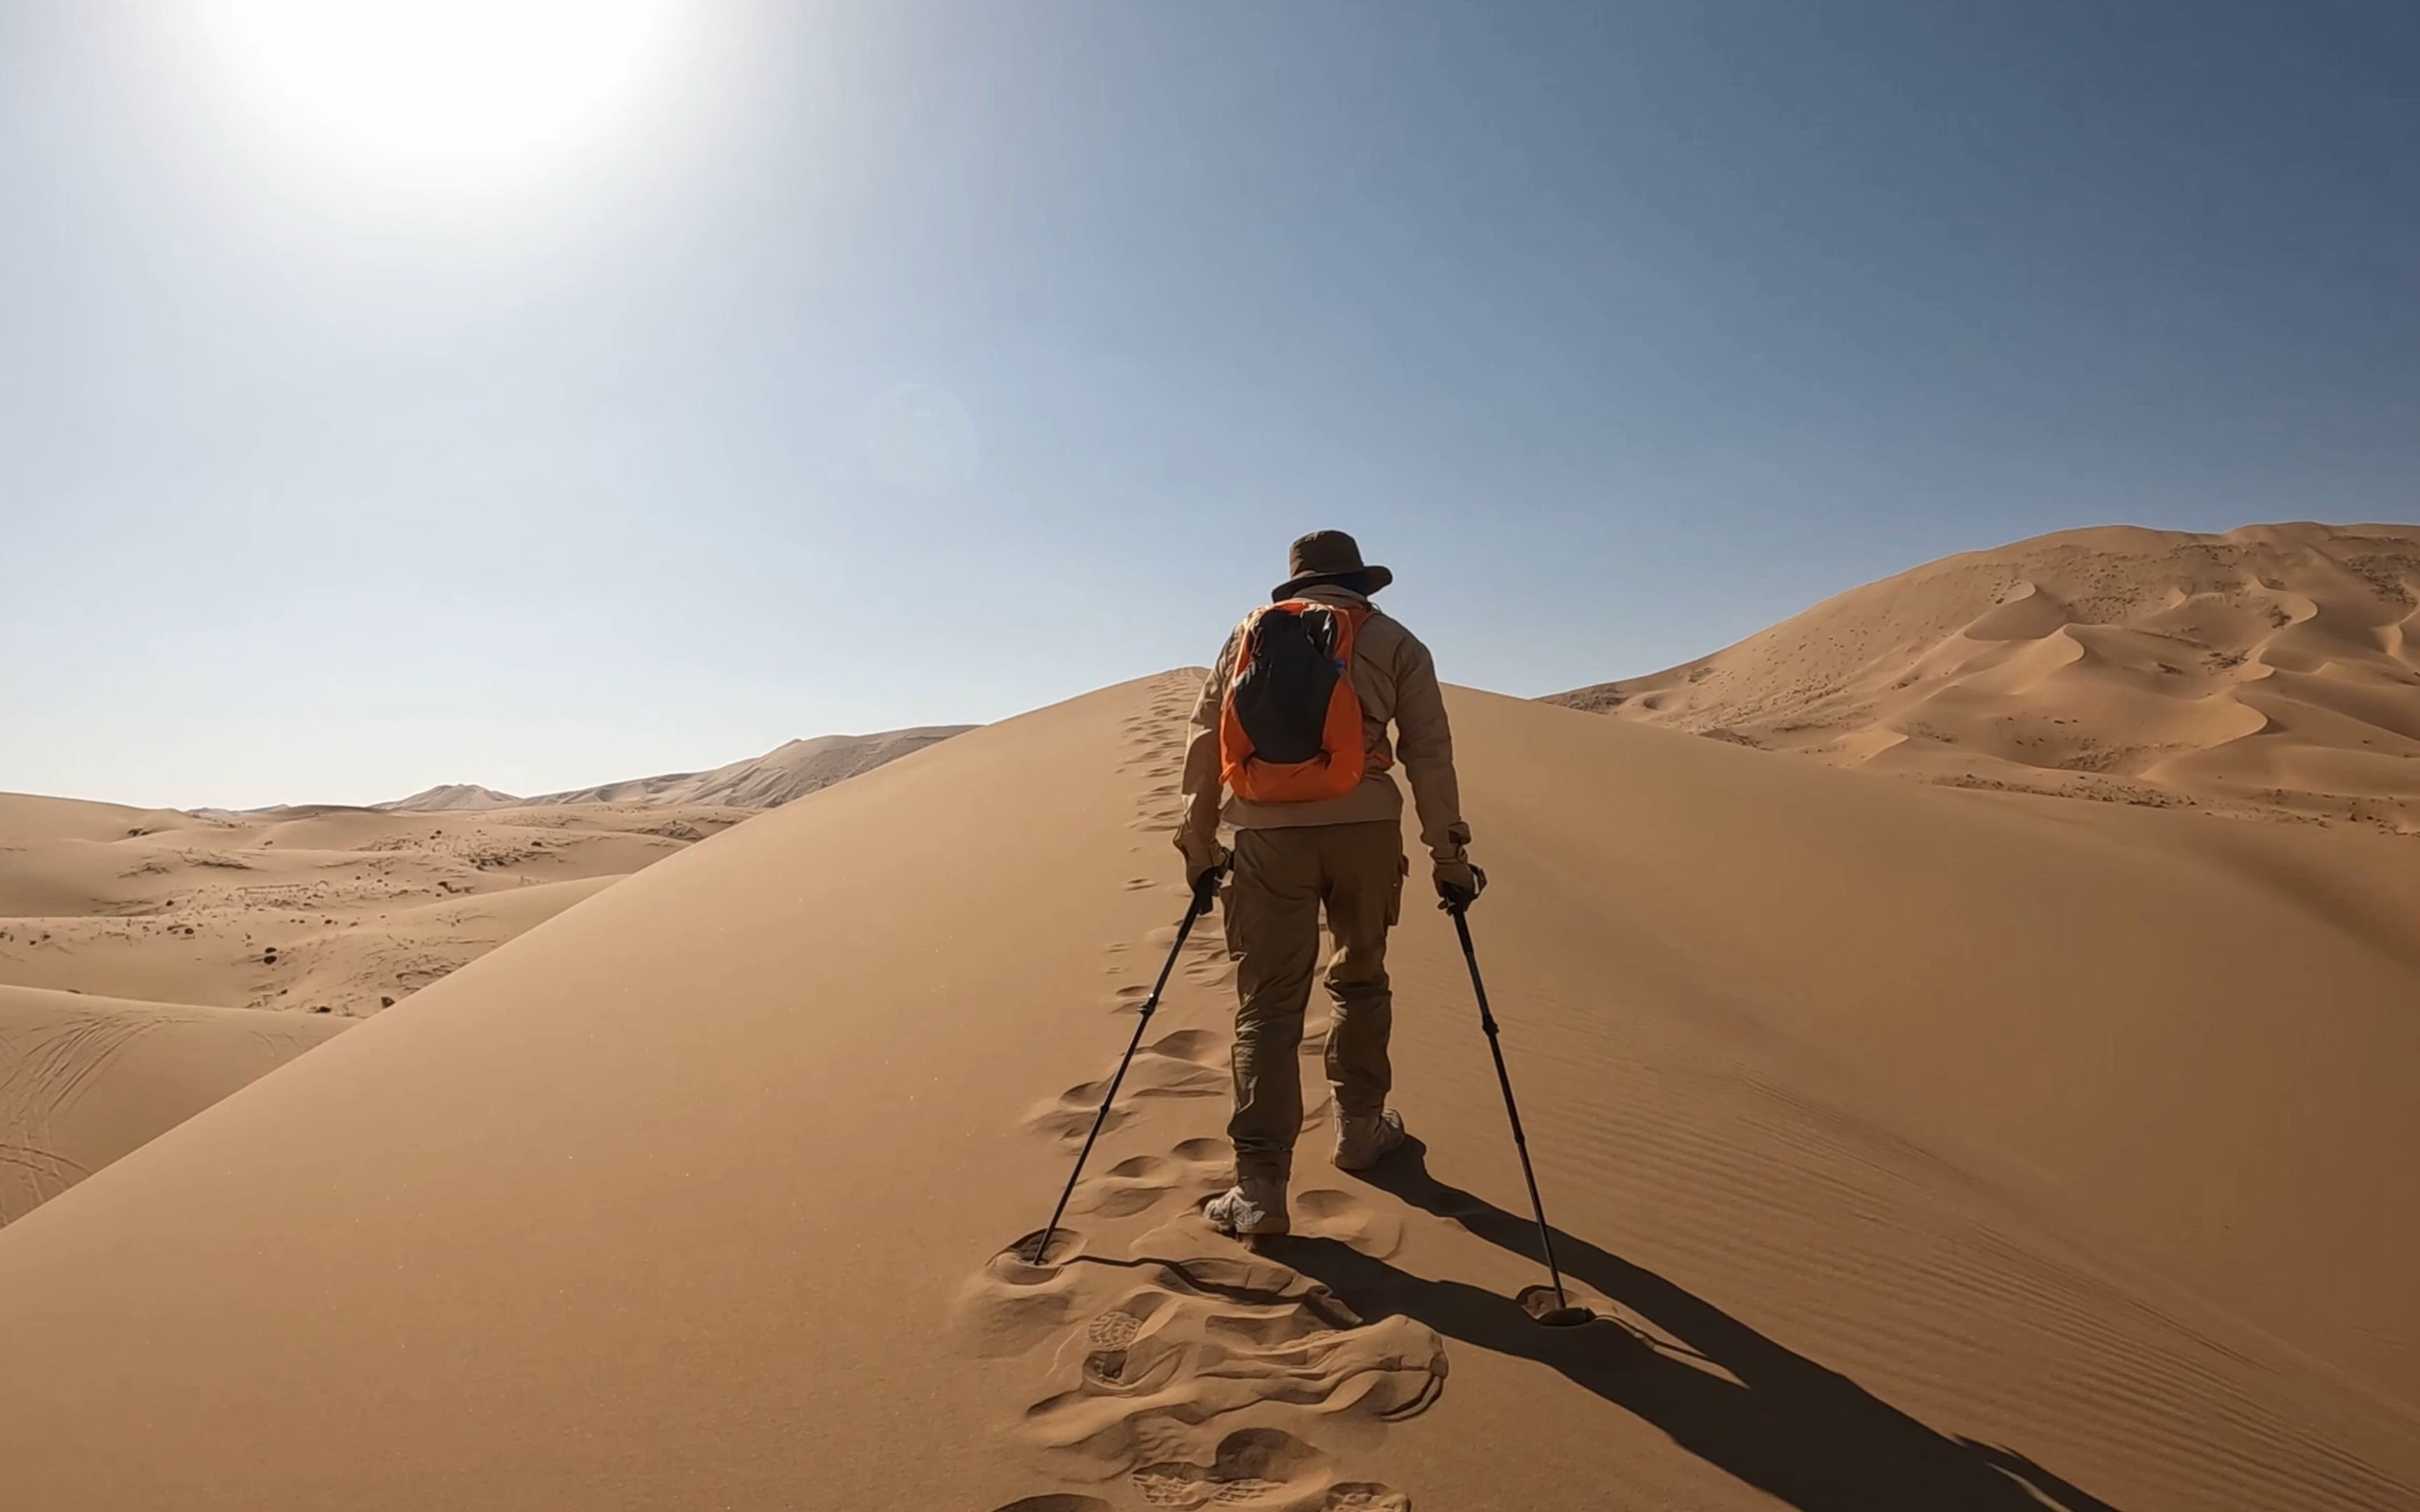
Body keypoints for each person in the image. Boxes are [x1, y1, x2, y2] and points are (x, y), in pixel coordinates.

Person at [1176, 529, 1480, 1237]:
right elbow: (1429, 756)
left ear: (1295, 584)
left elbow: (1201, 745)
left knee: (1269, 1009)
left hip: (1264, 836)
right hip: (1366, 830)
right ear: (1362, 582)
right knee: (1362, 977)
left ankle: (1259, 1190)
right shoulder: (1397, 642)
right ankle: (1361, 1130)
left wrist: (1196, 845)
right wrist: (1449, 855)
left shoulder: (1245, 637)